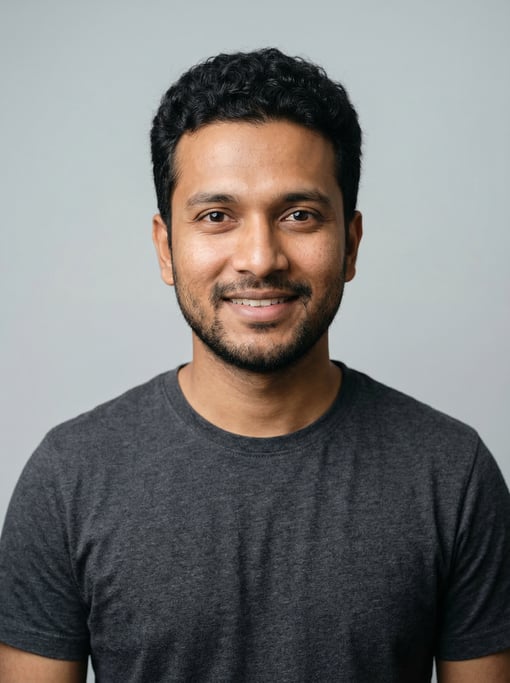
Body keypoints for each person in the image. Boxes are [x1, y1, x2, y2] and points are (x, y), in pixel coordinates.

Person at [0, 48, 509, 683]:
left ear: (350, 243)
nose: (260, 258)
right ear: (166, 248)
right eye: (217, 217)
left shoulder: (452, 476)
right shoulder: (67, 479)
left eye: (299, 215)